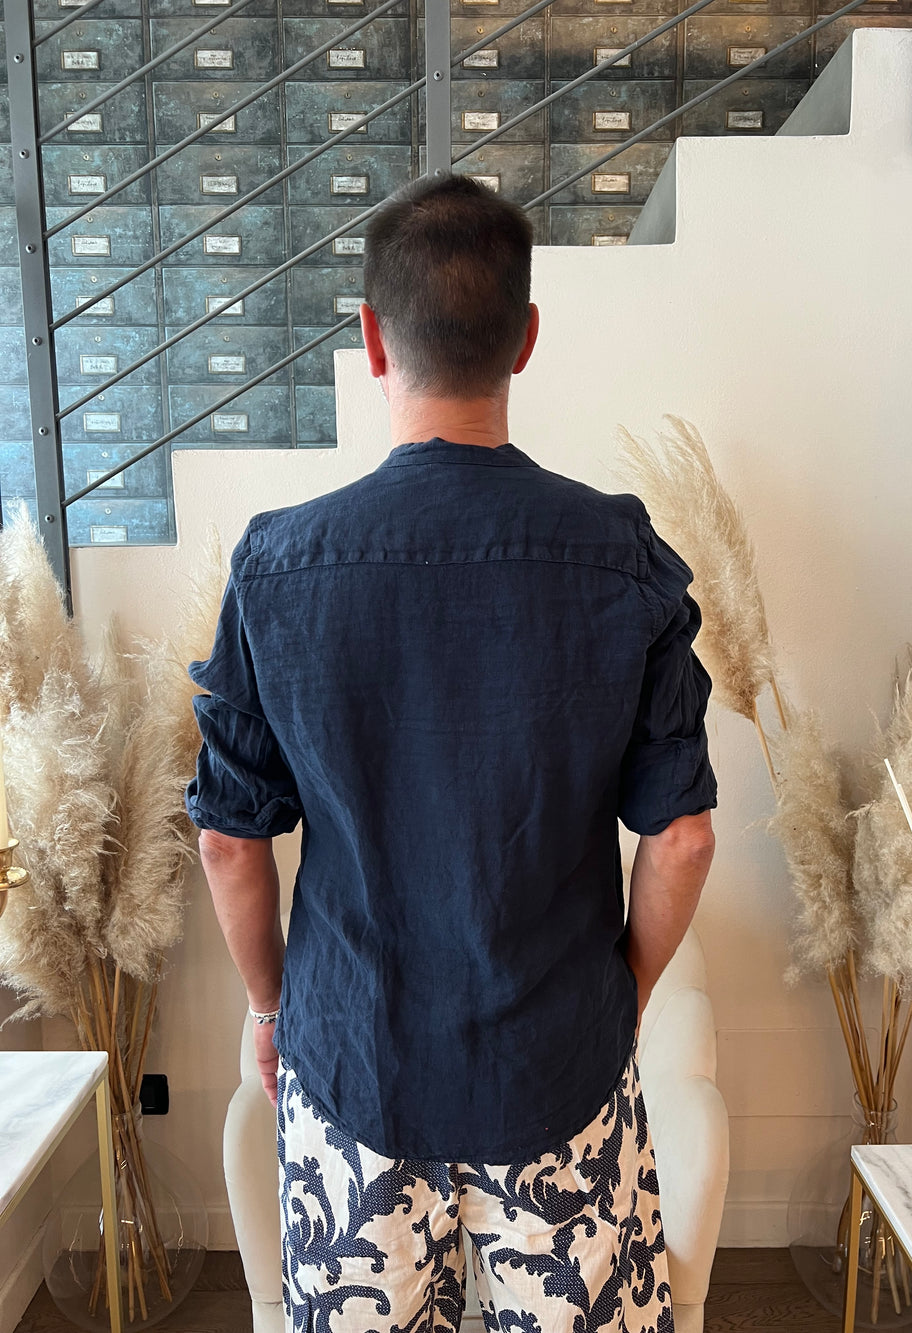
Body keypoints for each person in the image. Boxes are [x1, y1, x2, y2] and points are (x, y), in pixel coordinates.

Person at [187, 173, 717, 1333]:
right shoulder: (620, 555)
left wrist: (274, 1009)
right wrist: (621, 995)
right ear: (524, 338)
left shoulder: (276, 566)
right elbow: (680, 835)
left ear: (371, 338)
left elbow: (229, 840)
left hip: (353, 1076)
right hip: (558, 1073)